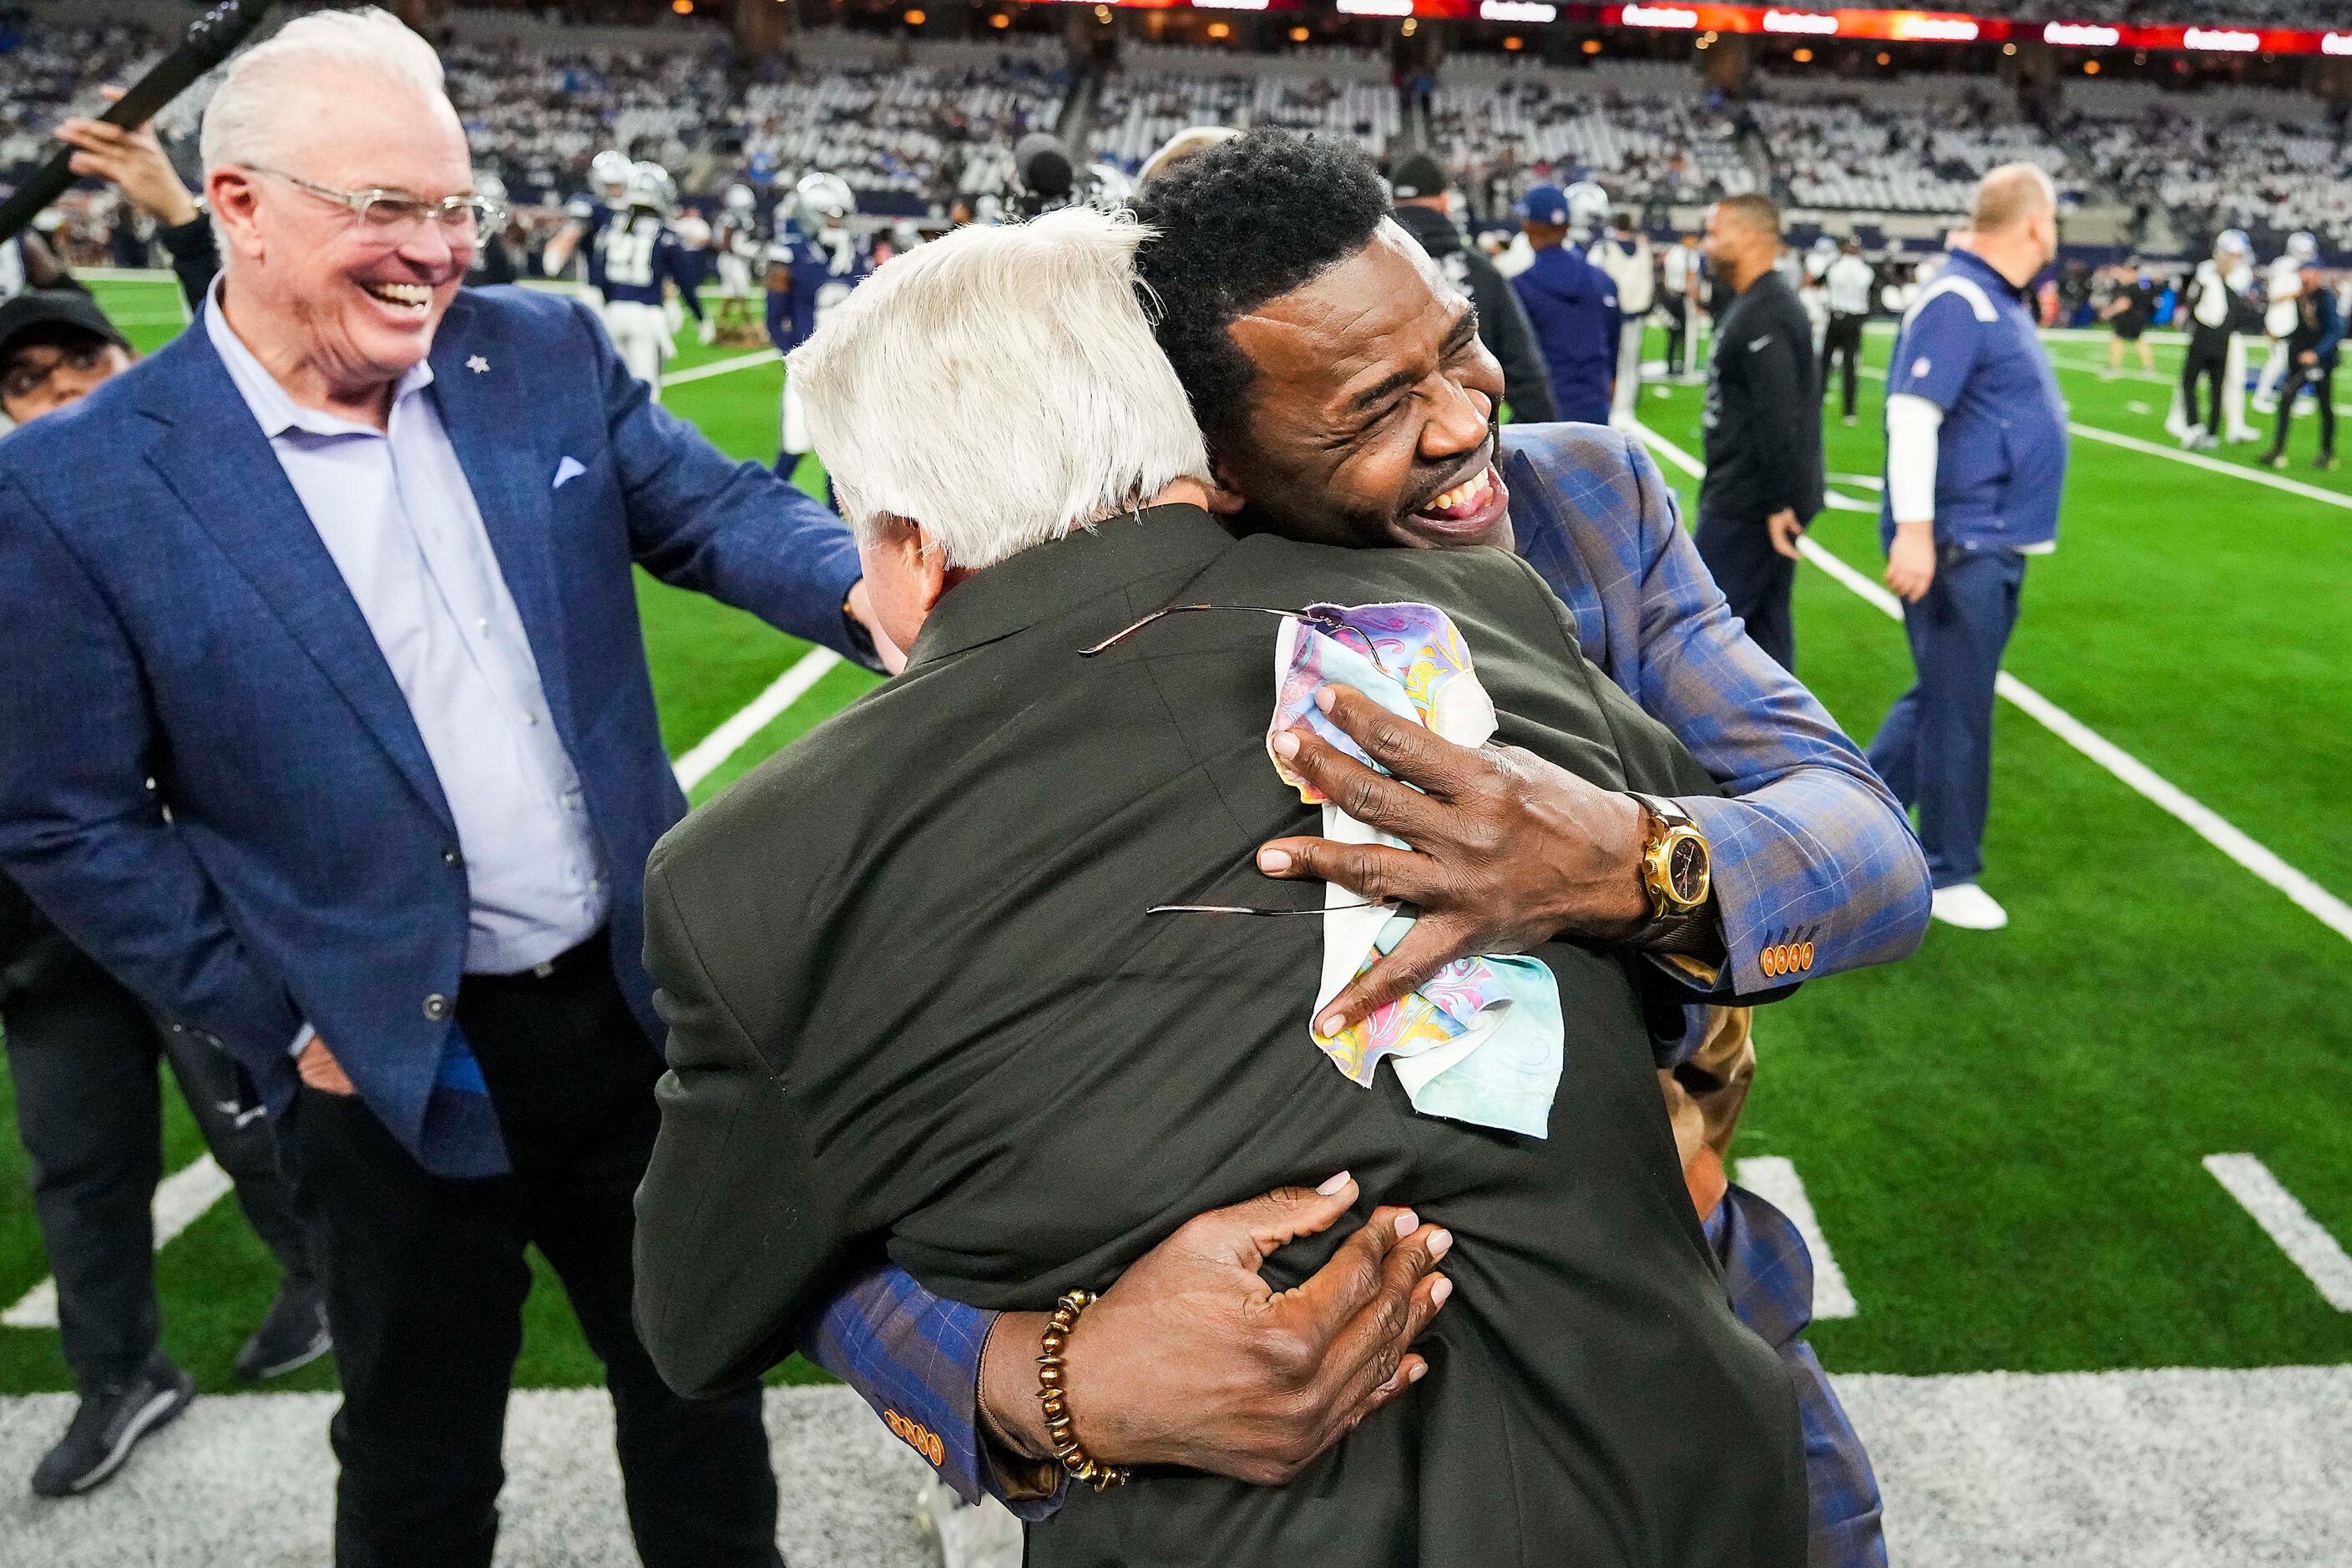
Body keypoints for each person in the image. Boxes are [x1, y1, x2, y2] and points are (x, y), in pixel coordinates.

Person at [760, 129, 1925, 1568]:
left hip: (1670, 1323)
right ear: (1209, 463)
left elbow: (1863, 842)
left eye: (1458, 348)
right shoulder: (1066, 650)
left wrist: (1625, 861)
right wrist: (1049, 1380)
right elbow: (810, 1184)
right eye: (1371, 404)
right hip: (1268, 1469)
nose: (1458, 420)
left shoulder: (1582, 503)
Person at [0, 12, 898, 1563]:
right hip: (386, 1060)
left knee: (699, 1391)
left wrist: (873, 598)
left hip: (633, 1011)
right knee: (418, 1462)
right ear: (238, 203)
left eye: (455, 206)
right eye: (384, 209)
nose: (434, 251)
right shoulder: (81, 481)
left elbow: (713, 512)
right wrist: (280, 1014)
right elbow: (64, 813)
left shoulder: (534, 347)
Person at [0, 291, 328, 1500]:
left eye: (80, 360)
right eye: (28, 379)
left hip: (177, 884)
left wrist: (169, 212)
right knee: (76, 1161)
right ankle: (118, 1372)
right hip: (41, 922)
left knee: (252, 1112)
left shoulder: (190, 477)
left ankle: (328, 1279)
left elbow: (257, 362)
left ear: (131, 359)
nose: (61, 391)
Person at [1867, 164, 2068, 934]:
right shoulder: (1961, 298)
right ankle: (1946, 867)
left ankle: (1849, 815)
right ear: (2033, 225)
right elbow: (1913, 414)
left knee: (1944, 692)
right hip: (1960, 538)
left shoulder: (1988, 298)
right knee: (1957, 705)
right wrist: (1917, 531)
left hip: (1985, 535)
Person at [1693, 192, 1823, 675]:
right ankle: (1785, 744)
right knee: (1765, 642)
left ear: (1749, 237)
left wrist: (1776, 504)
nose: (1707, 244)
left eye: (1715, 232)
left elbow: (1780, 415)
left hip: (1747, 505)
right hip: (1749, 497)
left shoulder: (1768, 311)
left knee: (1703, 637)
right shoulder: (1756, 302)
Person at [1386, 150, 1555, 424]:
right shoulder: (1483, 274)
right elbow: (1530, 386)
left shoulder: (1362, 275)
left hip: (1387, 451)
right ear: (1445, 203)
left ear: (1392, 203)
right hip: (1467, 442)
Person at [1509, 181, 1618, 424]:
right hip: (1594, 407)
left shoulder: (1520, 287)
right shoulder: (1603, 281)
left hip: (1543, 411)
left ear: (1528, 225)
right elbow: (1613, 350)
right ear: (1568, 225)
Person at [597, 159, 704, 397]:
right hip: (645, 315)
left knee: (616, 391)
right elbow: (684, 278)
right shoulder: (663, 232)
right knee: (648, 393)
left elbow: (599, 271)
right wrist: (700, 315)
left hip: (613, 313)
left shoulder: (612, 225)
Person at [2172, 230, 2255, 451]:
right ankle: (2191, 425)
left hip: (2216, 336)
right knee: (2205, 384)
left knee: (2217, 382)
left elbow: (2207, 309)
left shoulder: (2223, 276)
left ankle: (2211, 427)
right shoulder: (2208, 272)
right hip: (2220, 337)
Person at [2259, 260, 2340, 472]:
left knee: (2324, 406)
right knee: (2286, 399)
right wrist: (2280, 336)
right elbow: (2301, 330)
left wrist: (2316, 353)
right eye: (2303, 274)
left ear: (2317, 274)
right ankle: (2277, 450)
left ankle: (2327, 453)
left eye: (2309, 274)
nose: (2305, 278)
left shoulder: (2326, 298)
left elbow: (2335, 331)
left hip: (2320, 362)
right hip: (2299, 360)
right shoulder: (2301, 298)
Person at [1590, 208, 1656, 422]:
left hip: (1611, 310)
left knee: (1612, 357)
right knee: (1632, 357)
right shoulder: (1643, 247)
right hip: (1637, 308)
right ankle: (1628, 402)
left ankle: (1616, 401)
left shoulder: (1606, 248)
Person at [2252, 231, 2319, 414]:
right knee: (2278, 360)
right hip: (2281, 321)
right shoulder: (2283, 266)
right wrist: (2300, 292)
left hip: (2293, 321)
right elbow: (2275, 295)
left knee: (2293, 363)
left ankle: (2291, 397)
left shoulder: (2300, 266)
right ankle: (2261, 395)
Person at [1820, 238, 1874, 427]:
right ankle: (1849, 411)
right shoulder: (1865, 270)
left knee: (1825, 362)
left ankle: (1817, 402)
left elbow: (1822, 282)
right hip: (1854, 320)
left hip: (1836, 317)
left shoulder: (1835, 266)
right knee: (1850, 366)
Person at [2101, 262, 2156, 376]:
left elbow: (2124, 304)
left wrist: (2109, 312)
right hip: (2136, 317)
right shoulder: (2139, 286)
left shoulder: (2131, 287)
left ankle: (2115, 366)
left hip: (2130, 318)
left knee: (2122, 340)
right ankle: (2148, 368)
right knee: (2133, 340)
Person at [1662, 230, 1702, 379]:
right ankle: (1685, 365)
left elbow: (1666, 276)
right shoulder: (1690, 255)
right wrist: (1695, 300)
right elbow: (1691, 278)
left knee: (1673, 332)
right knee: (1686, 334)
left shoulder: (1673, 252)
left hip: (1671, 295)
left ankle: (1671, 365)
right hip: (1684, 297)